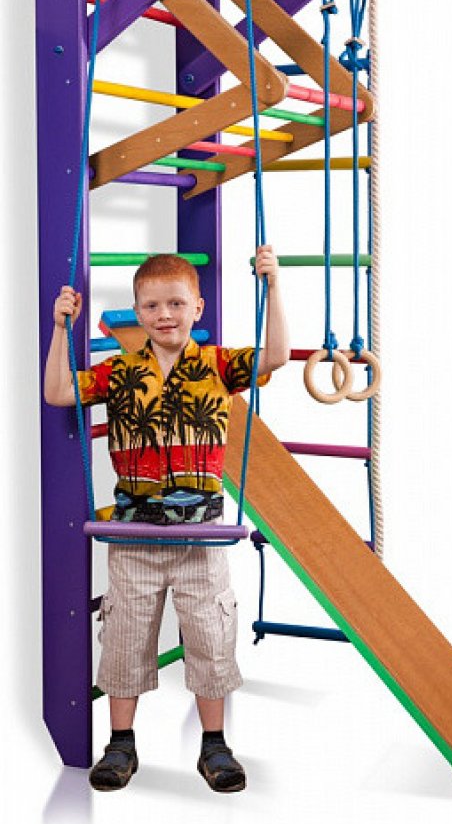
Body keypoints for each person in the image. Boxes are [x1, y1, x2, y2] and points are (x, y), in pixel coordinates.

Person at [44, 245, 289, 793]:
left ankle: (215, 745)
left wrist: (273, 286)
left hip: (201, 538)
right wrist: (62, 328)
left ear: (197, 308)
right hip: (134, 536)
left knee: (210, 637)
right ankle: (120, 744)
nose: (164, 315)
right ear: (137, 312)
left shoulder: (219, 366)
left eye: (176, 304)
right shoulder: (120, 372)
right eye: (152, 306)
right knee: (125, 637)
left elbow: (275, 356)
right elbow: (59, 391)